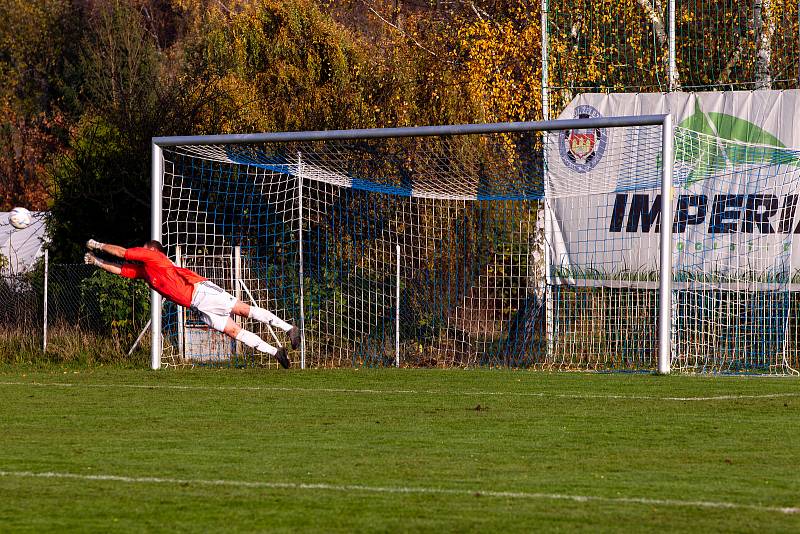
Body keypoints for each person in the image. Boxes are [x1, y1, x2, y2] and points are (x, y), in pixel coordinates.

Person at [84, 239, 298, 368]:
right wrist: (98, 261)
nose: (140, 250)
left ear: (153, 251)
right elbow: (121, 269)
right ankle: (276, 352)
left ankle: (289, 329)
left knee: (243, 310)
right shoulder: (146, 271)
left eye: (144, 248)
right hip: (197, 306)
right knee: (233, 331)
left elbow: (122, 253)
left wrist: (97, 245)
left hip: (200, 291)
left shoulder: (154, 258)